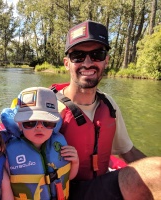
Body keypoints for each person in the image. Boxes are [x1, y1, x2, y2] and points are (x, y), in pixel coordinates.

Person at [51, 20, 161, 199]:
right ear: (66, 63)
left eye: (97, 54)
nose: (87, 63)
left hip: (99, 186)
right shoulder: (49, 106)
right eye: (78, 56)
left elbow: (127, 151)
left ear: (106, 61)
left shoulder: (109, 105)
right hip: (63, 192)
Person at [2, 87, 79, 200]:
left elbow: (69, 177)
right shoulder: (9, 154)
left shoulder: (60, 145)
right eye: (30, 123)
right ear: (19, 125)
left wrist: (75, 162)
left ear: (55, 124)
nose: (39, 127)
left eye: (47, 122)